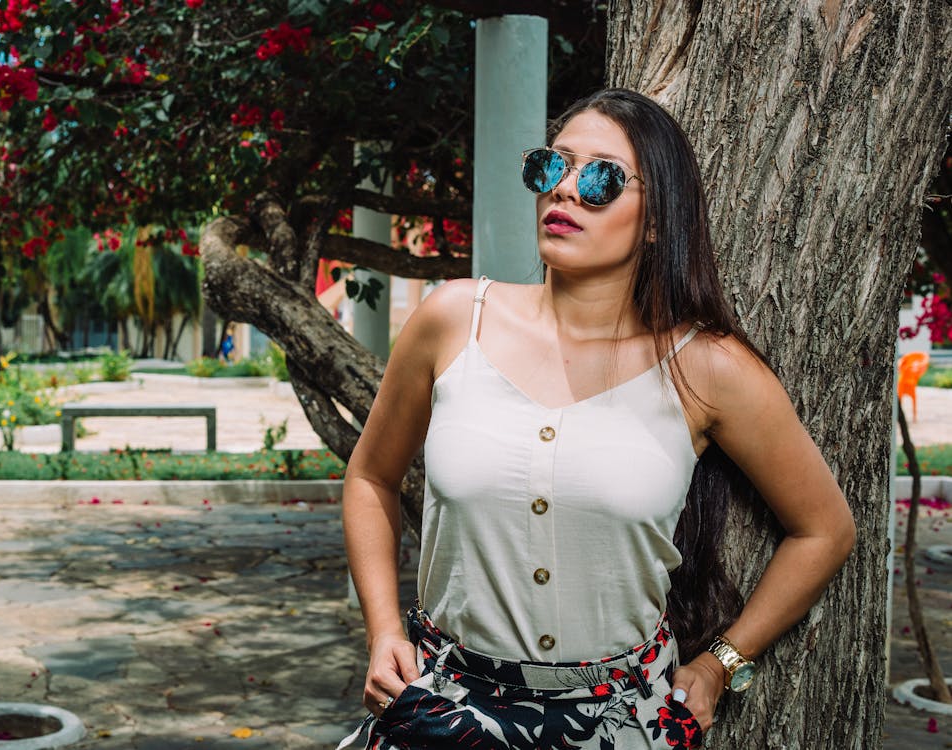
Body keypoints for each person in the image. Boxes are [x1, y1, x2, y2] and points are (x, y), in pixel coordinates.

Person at [336, 88, 856, 750]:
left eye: (602, 178)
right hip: (445, 708)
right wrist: (383, 630)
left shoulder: (707, 368)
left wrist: (718, 664)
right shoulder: (451, 321)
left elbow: (824, 530)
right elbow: (370, 478)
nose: (565, 192)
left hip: (623, 723)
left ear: (656, 221)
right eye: (550, 167)